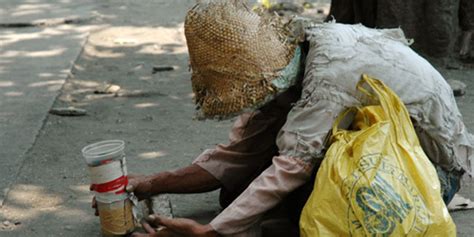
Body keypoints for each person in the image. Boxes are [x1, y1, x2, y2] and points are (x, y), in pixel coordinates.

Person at [93, 1, 473, 236]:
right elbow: (235, 156)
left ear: (273, 74)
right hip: (381, 146)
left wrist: (212, 232)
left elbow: (291, 167)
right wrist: (152, 184)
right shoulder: (298, 58)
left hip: (429, 172)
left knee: (304, 204)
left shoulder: (326, 78)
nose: (255, 103)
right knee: (239, 188)